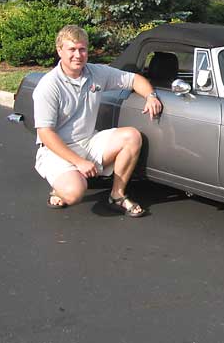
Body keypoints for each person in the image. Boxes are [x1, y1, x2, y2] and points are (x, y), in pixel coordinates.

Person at [33, 25, 163, 217]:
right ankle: (59, 187)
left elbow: (134, 79)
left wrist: (151, 96)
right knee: (75, 192)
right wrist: (79, 162)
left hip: (88, 141)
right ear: (59, 50)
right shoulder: (49, 86)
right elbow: (46, 133)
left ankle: (117, 196)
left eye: (82, 49)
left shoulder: (96, 73)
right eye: (72, 49)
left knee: (132, 137)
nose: (78, 55)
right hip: (57, 151)